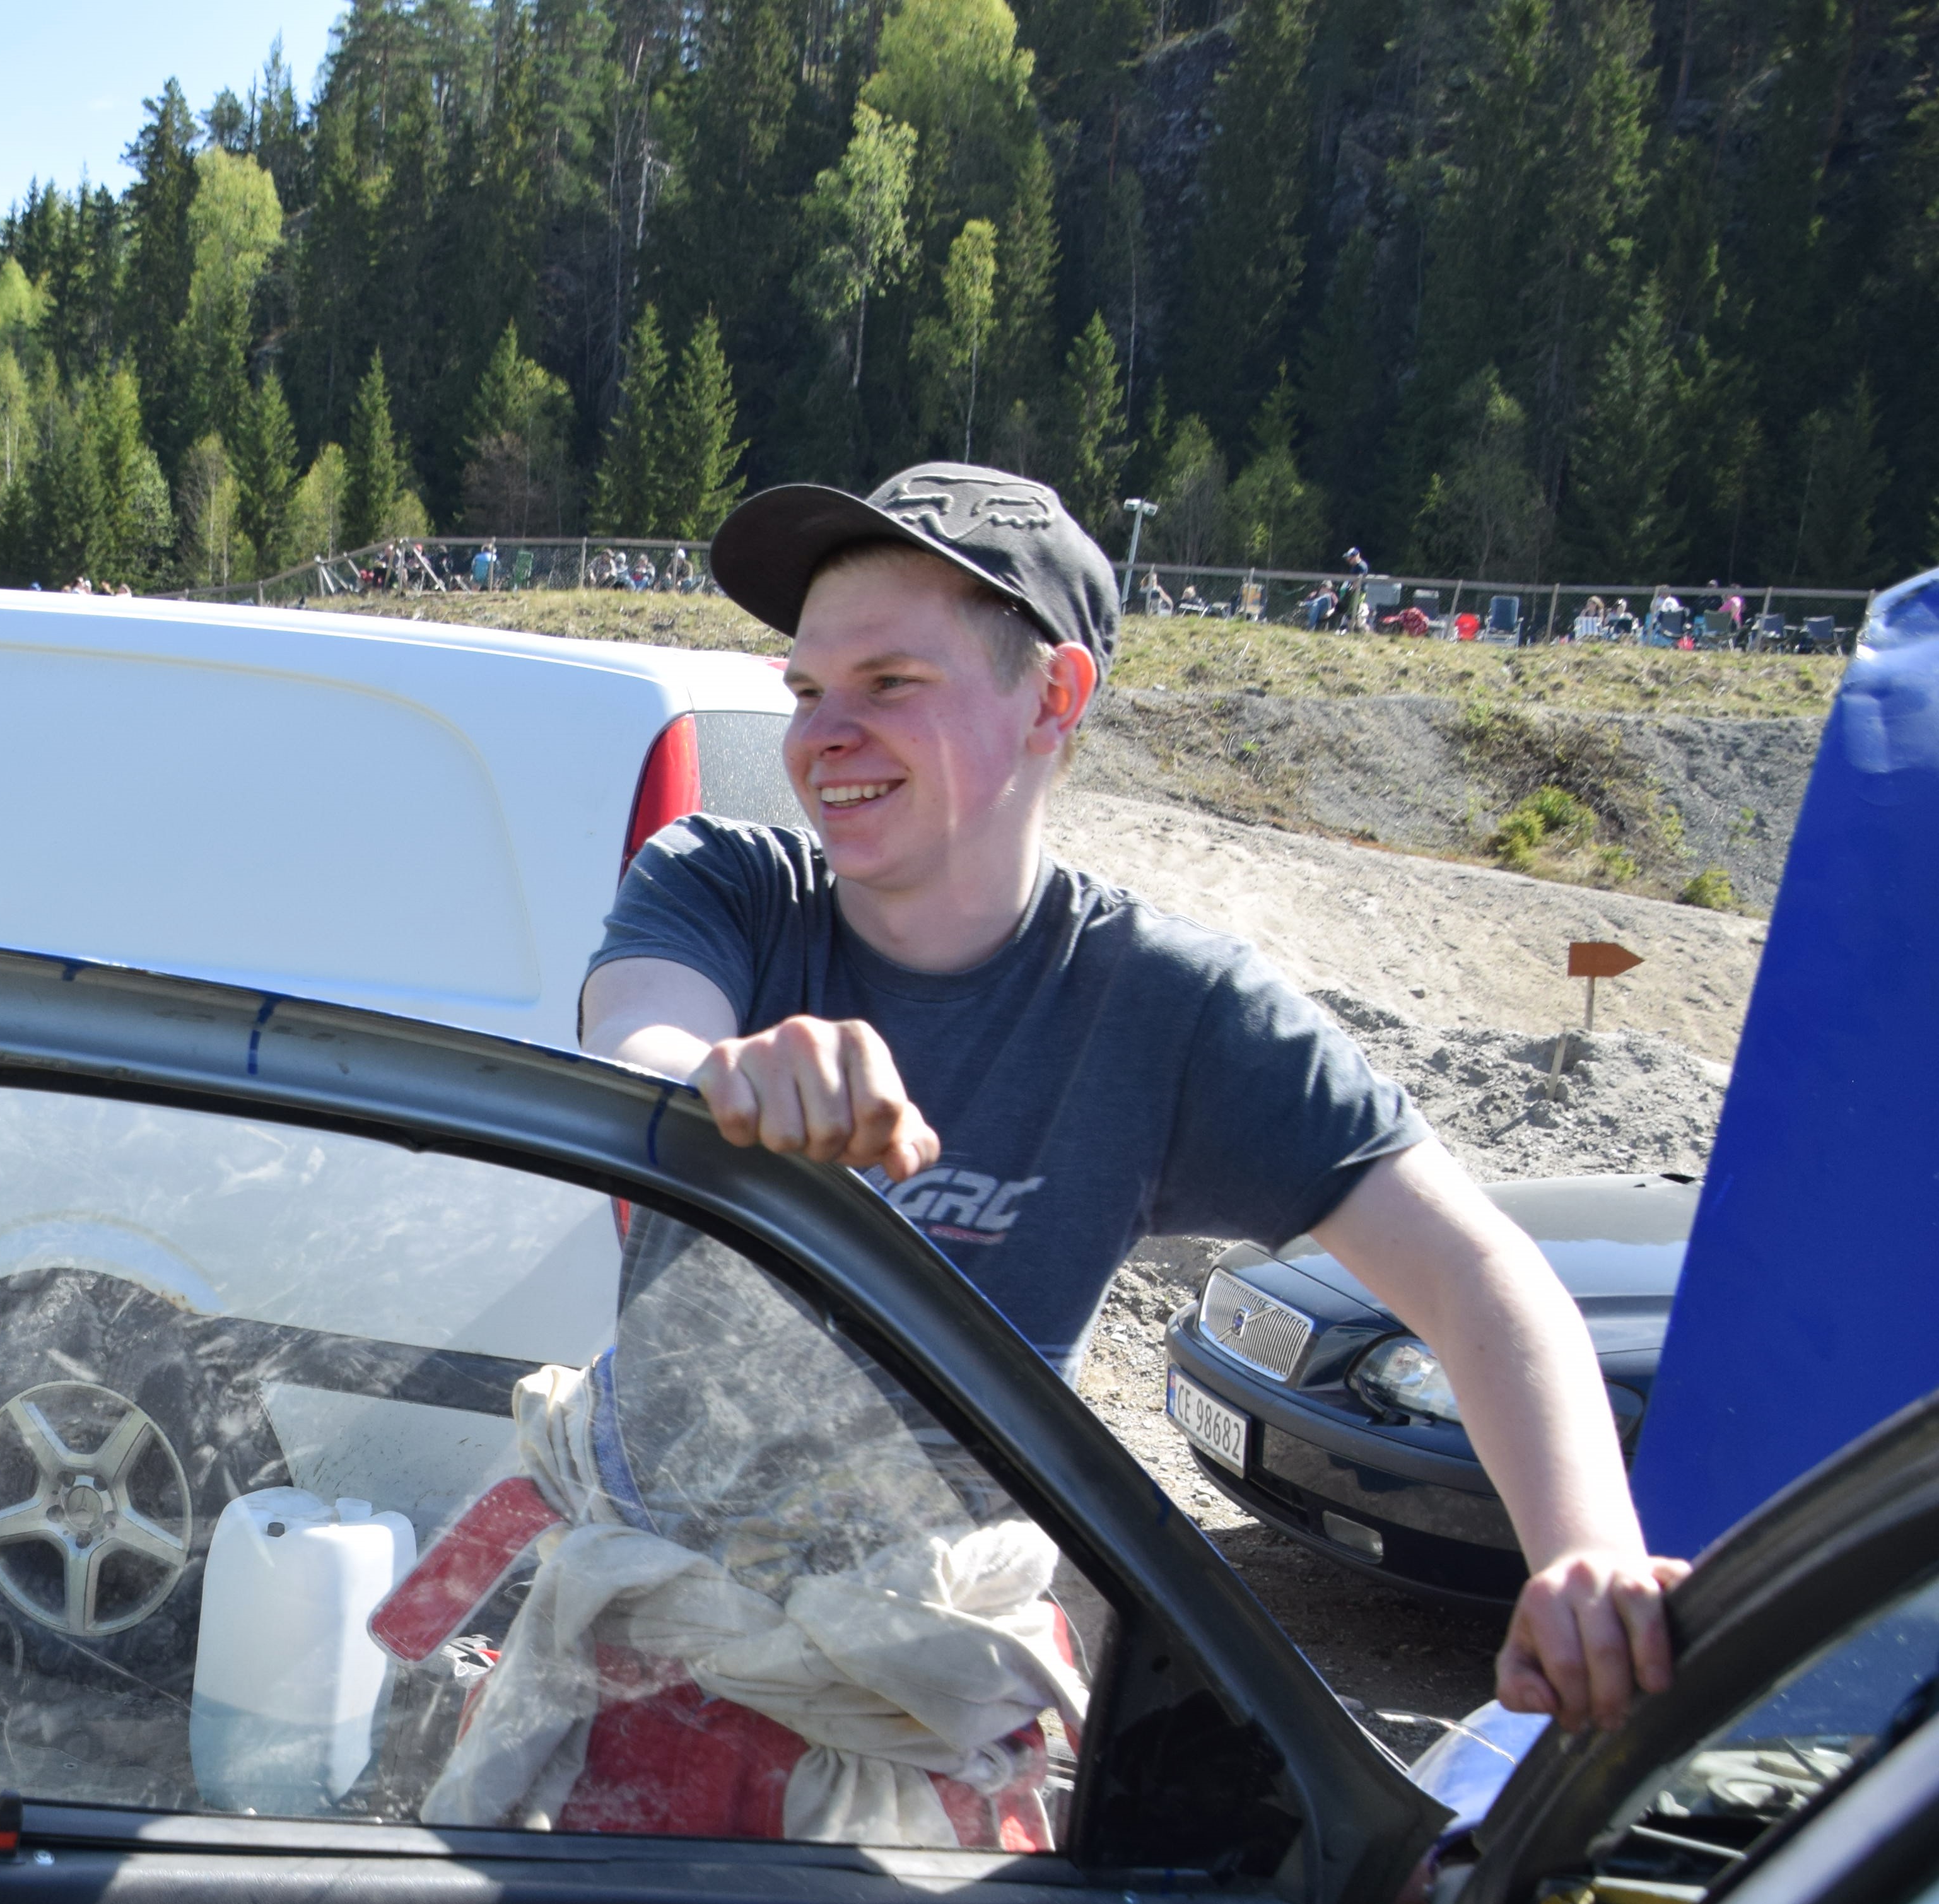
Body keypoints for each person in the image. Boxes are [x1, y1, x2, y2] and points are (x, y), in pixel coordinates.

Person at [578, 462, 1684, 1734]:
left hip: (931, 1684)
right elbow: (636, 1044)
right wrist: (717, 1078)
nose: (822, 737)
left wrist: (1582, 1556)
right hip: (644, 1629)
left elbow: (1475, 1269)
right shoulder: (723, 887)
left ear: (1053, 697)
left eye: (890, 683)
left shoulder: (1171, 1010)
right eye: (808, 691)